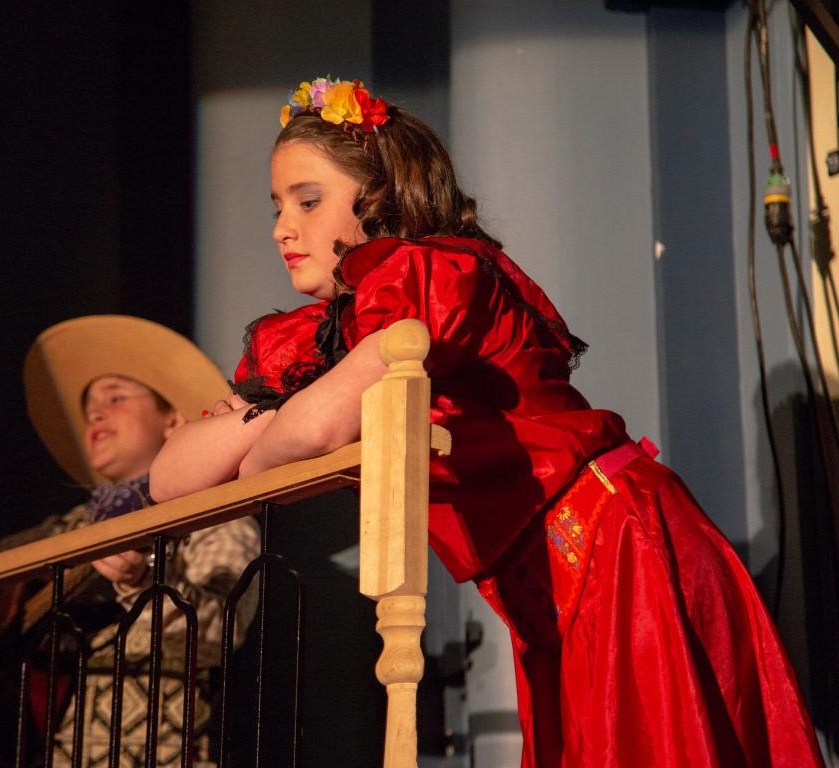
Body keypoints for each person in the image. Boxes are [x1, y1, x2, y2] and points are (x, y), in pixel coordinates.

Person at [150, 77, 825, 766]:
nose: (282, 229)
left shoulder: (431, 275)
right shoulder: (314, 337)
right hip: (544, 587)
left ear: (379, 196)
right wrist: (280, 426)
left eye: (308, 201)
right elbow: (171, 478)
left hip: (612, 546)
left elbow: (307, 438)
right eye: (277, 207)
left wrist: (263, 441)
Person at [0, 314, 260, 768]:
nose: (95, 413)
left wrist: (140, 582)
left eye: (115, 397)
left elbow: (220, 631)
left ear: (173, 420)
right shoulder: (66, 529)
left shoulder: (212, 515)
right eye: (89, 408)